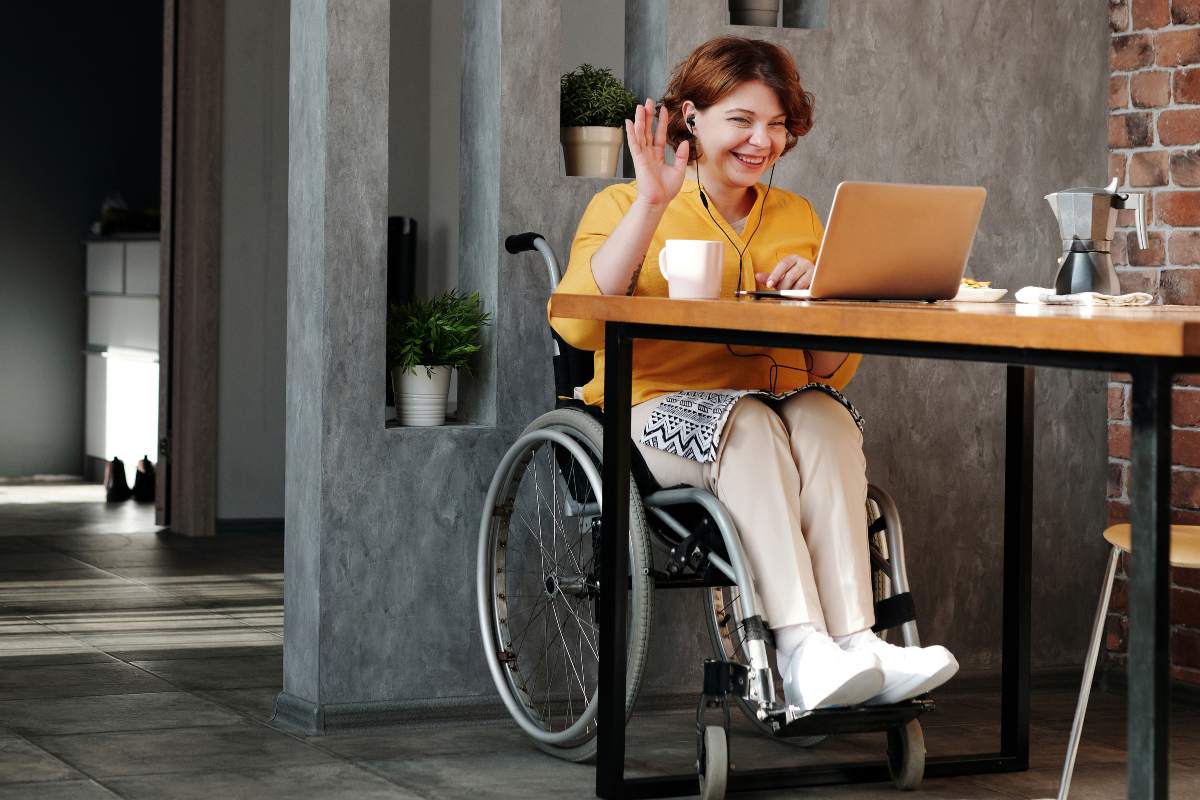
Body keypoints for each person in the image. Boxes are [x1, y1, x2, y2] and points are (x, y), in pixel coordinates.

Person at [549, 36, 958, 712]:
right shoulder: (624, 205)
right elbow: (579, 327)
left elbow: (828, 370)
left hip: (771, 411)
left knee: (824, 415)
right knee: (752, 424)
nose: (761, 139)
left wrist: (823, 296)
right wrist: (652, 204)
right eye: (741, 119)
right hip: (651, 415)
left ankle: (856, 643)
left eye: (776, 124)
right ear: (693, 117)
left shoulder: (796, 217)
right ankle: (799, 647)